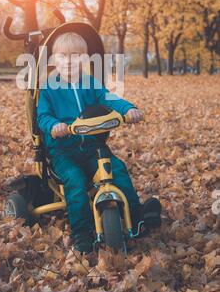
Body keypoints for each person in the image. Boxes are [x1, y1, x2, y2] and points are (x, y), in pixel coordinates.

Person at [37, 32, 161, 254]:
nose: (69, 62)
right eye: (63, 56)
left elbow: (109, 98)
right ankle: (82, 233)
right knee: (74, 181)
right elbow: (42, 116)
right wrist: (54, 126)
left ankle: (136, 217)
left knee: (118, 170)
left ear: (84, 60)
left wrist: (129, 109)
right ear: (54, 60)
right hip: (63, 151)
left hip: (93, 147)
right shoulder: (49, 88)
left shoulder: (90, 83)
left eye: (76, 56)